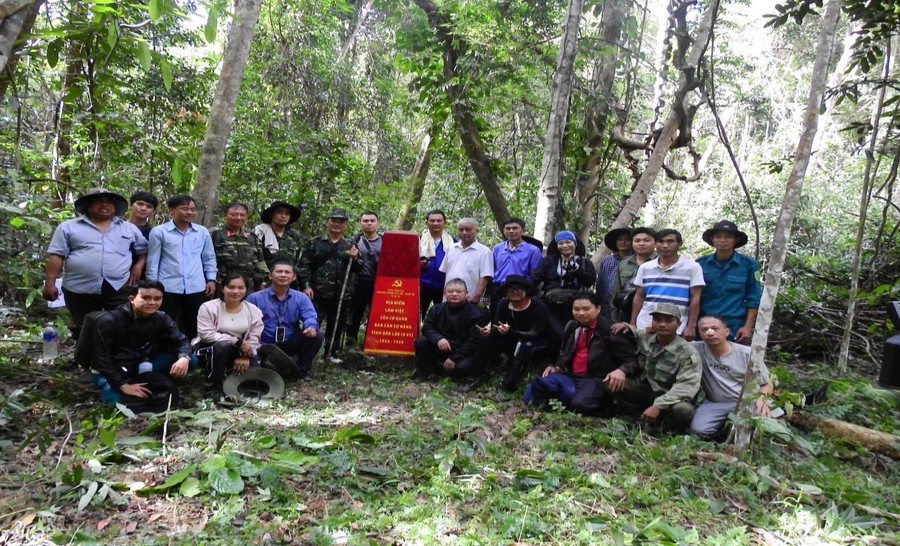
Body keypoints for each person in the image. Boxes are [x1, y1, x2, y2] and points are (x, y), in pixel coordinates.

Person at [43, 188, 147, 340]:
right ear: (88, 205)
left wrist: (138, 266)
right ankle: (87, 361)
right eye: (99, 202)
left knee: (123, 323)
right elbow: (56, 255)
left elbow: (142, 250)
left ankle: (118, 360)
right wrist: (50, 284)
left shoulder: (129, 228)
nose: (104, 205)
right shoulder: (68, 227)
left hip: (119, 286)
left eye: (108, 202)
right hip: (79, 287)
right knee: (85, 326)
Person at [523, 292, 638, 414]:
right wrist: (557, 367)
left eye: (586, 309)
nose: (581, 313)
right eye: (576, 309)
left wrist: (621, 370)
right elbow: (564, 352)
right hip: (570, 375)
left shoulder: (610, 330)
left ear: (598, 309)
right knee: (538, 391)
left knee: (580, 405)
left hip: (596, 378)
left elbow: (632, 360)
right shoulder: (572, 326)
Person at [89, 280, 196, 406]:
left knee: (191, 360)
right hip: (114, 369)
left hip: (144, 363)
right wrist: (122, 385)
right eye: (146, 298)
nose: (152, 303)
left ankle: (151, 379)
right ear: (132, 298)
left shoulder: (161, 318)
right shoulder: (109, 321)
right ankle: (124, 384)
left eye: (157, 299)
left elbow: (180, 340)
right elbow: (101, 359)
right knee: (116, 402)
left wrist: (184, 357)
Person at [611, 302, 702, 432]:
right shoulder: (647, 337)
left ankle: (670, 427)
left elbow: (686, 386)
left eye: (668, 320)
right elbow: (634, 332)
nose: (662, 324)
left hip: (671, 396)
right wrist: (624, 325)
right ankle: (637, 415)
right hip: (647, 389)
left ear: (679, 324)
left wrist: (658, 406)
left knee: (682, 410)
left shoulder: (688, 352)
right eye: (657, 320)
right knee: (613, 382)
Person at [688, 315, 774, 438]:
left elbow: (766, 383)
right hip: (715, 402)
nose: (710, 333)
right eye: (704, 329)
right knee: (698, 430)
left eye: (715, 328)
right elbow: (673, 341)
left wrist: (761, 400)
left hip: (746, 401)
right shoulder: (696, 348)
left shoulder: (746, 354)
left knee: (764, 427)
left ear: (727, 331)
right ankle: (724, 434)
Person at [146, 194, 217, 340]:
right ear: (172, 210)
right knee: (164, 323)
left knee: (195, 325)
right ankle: (164, 357)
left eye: (192, 209)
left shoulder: (202, 232)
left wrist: (211, 279)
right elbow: (153, 260)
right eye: (184, 209)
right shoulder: (160, 232)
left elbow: (209, 258)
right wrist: (152, 285)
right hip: (168, 286)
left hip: (196, 286)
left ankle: (193, 357)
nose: (189, 212)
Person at [246, 260, 324, 380]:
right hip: (263, 343)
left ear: (294, 277)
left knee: (317, 335)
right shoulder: (255, 298)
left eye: (287, 272)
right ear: (270, 275)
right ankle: (270, 364)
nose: (283, 275)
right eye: (279, 271)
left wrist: (311, 327)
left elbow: (310, 315)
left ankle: (300, 371)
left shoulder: (301, 297)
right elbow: (245, 324)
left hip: (289, 342)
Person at [297, 208, 360, 355]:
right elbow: (303, 266)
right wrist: (306, 286)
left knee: (337, 324)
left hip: (342, 294)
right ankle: (306, 352)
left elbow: (358, 268)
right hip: (318, 292)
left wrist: (355, 258)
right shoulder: (314, 243)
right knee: (312, 322)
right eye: (334, 220)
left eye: (341, 222)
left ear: (346, 225)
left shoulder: (351, 245)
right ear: (327, 222)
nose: (337, 224)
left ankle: (332, 352)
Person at [481, 275, 556, 396]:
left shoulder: (539, 307)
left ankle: (508, 385)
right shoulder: (504, 303)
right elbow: (497, 326)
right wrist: (489, 330)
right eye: (511, 289)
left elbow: (535, 334)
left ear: (527, 291)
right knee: (485, 338)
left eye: (519, 289)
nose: (515, 292)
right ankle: (481, 373)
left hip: (537, 343)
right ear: (505, 292)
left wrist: (511, 332)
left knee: (527, 345)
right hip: (514, 338)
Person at [193, 272, 264, 388]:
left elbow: (254, 337)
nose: (236, 291)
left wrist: (245, 356)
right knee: (222, 347)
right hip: (210, 350)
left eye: (241, 288)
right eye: (231, 287)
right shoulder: (208, 307)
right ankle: (212, 382)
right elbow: (206, 335)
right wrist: (236, 341)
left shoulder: (253, 311)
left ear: (246, 290)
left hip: (240, 350)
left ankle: (233, 380)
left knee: (254, 378)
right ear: (223, 289)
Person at [630, 228, 704, 340]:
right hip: (646, 323)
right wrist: (633, 322)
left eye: (670, 241)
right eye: (661, 241)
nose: (665, 245)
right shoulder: (645, 267)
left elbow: (695, 297)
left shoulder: (692, 267)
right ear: (656, 244)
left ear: (679, 244)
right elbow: (639, 296)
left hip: (676, 325)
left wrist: (691, 326)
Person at [696, 221, 761, 342]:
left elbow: (754, 298)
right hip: (704, 323)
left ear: (735, 240)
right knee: (701, 359)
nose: (722, 240)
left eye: (728, 237)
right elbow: (694, 296)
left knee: (732, 358)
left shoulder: (748, 264)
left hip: (733, 324)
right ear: (712, 239)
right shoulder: (700, 264)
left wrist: (747, 327)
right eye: (718, 236)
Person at [414, 279, 488, 383]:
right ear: (444, 293)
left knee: (461, 368)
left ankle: (445, 369)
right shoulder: (436, 309)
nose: (454, 294)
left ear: (466, 293)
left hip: (462, 352)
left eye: (458, 291)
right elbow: (427, 328)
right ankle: (427, 373)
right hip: (441, 347)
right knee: (420, 342)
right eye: (450, 291)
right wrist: (439, 339)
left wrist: (454, 358)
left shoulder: (476, 313)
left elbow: (473, 340)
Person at [532, 230, 596, 346]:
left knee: (573, 334)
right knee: (556, 334)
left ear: (575, 244)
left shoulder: (584, 262)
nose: (565, 246)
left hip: (574, 306)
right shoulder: (548, 261)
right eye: (560, 243)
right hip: (550, 304)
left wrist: (576, 270)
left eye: (568, 242)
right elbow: (536, 277)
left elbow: (589, 281)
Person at [210, 202, 269, 291]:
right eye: (233, 214)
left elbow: (260, 262)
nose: (238, 218)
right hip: (222, 284)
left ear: (246, 217)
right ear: (225, 215)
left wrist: (262, 283)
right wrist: (210, 281)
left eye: (242, 215)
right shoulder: (214, 233)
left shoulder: (251, 236)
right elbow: (206, 260)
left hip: (248, 285)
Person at [489, 217, 543, 316]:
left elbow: (536, 274)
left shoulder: (533, 250)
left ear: (523, 231)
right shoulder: (498, 248)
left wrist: (526, 290)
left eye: (515, 228)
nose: (511, 231)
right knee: (496, 319)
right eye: (508, 228)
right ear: (504, 231)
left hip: (519, 290)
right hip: (498, 289)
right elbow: (492, 269)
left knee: (517, 319)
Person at [345, 211, 383, 346]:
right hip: (359, 282)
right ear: (360, 223)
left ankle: (376, 343)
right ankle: (351, 343)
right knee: (355, 314)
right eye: (365, 221)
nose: (369, 223)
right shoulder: (353, 241)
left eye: (372, 221)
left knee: (378, 314)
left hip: (379, 284)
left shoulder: (385, 241)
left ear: (378, 223)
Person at [439, 218, 493, 305]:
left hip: (469, 299)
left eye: (468, 230)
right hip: (448, 298)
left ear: (476, 231)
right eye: (461, 230)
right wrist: (445, 292)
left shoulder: (484, 252)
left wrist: (476, 296)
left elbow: (485, 277)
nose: (464, 232)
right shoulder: (451, 248)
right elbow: (446, 272)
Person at [609, 227, 657, 323]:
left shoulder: (660, 262)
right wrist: (614, 317)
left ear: (655, 242)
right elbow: (616, 291)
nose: (641, 243)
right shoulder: (624, 263)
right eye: (637, 240)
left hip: (652, 314)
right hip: (625, 314)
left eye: (646, 240)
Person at [419, 209, 455, 317]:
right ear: (426, 223)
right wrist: (419, 264)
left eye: (439, 221)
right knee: (417, 315)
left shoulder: (453, 242)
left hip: (444, 286)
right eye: (432, 221)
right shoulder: (418, 240)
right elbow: (408, 264)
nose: (435, 223)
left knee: (442, 316)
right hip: (422, 286)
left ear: (445, 222)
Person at [253, 200, 304, 270]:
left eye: (287, 213)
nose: (283, 216)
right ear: (271, 215)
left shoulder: (294, 236)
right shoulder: (260, 233)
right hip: (265, 278)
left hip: (288, 277)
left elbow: (298, 260)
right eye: (279, 212)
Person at [596, 227, 633, 321]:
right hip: (606, 305)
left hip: (626, 305)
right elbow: (600, 285)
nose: (623, 242)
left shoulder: (636, 261)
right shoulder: (607, 260)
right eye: (620, 239)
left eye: (627, 240)